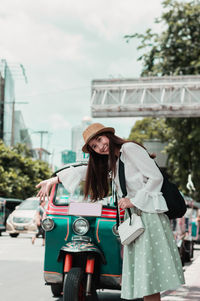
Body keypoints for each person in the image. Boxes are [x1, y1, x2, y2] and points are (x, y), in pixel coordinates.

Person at [36, 123, 185, 301]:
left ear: (108, 135)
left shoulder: (129, 149)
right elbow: (87, 171)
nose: (100, 147)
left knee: (149, 278)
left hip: (148, 216)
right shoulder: (114, 161)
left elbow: (156, 177)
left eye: (100, 139)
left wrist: (133, 200)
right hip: (137, 219)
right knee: (146, 280)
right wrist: (54, 179)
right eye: (94, 146)